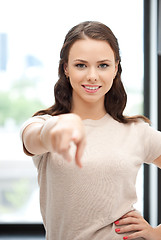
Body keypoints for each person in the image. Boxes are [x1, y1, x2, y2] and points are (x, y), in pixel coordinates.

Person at [20, 21, 161, 240]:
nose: (92, 76)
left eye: (103, 65)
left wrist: (157, 232)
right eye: (81, 65)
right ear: (66, 68)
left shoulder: (137, 132)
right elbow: (34, 139)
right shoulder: (42, 124)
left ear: (116, 68)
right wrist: (55, 129)